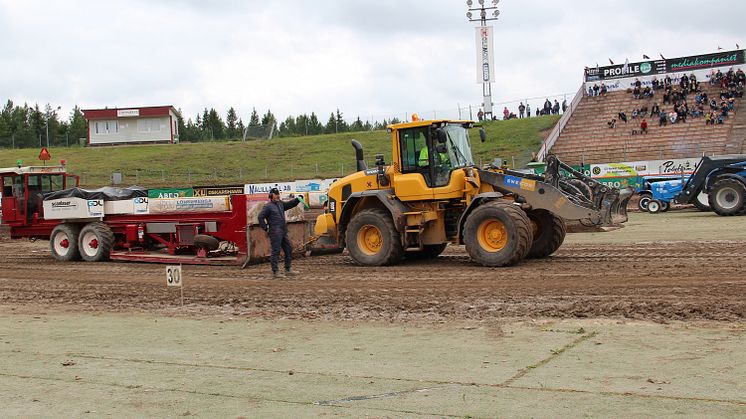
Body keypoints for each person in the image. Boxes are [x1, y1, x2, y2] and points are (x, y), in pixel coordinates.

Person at [258, 188, 302, 279]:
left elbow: (289, 205)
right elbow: (260, 217)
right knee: (276, 251)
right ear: (271, 195)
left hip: (282, 231)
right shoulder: (268, 206)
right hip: (275, 232)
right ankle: (275, 272)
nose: (278, 195)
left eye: (278, 194)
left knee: (288, 248)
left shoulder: (280, 204)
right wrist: (266, 228)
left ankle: (288, 269)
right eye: (276, 194)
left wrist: (298, 200)